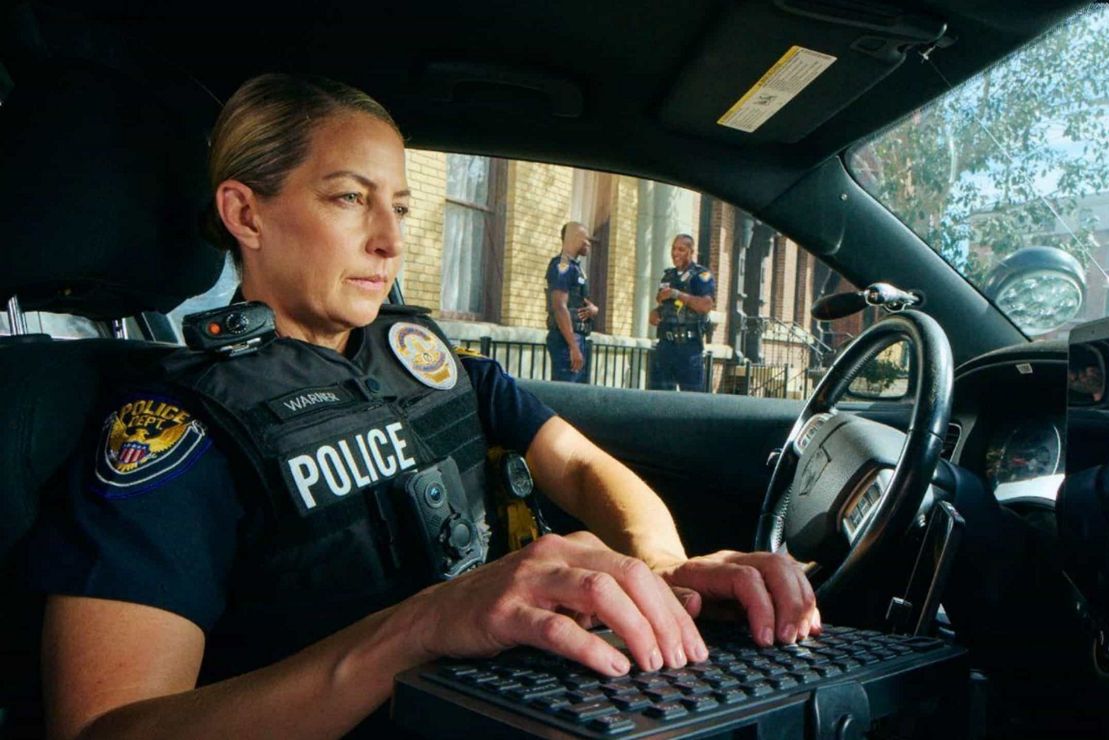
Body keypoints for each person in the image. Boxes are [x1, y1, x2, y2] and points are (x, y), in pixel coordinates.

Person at [27, 74, 818, 739]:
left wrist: (662, 565)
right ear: (245, 213)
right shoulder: (178, 425)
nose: (389, 240)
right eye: (348, 198)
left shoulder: (427, 361)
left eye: (399, 208)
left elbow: (576, 464)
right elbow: (107, 731)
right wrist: (419, 626)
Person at [648, 234, 715, 391]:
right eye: (673, 248)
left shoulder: (701, 276)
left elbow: (705, 305)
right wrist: (655, 313)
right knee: (659, 401)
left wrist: (676, 294)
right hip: (665, 346)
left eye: (681, 249)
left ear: (691, 252)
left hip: (689, 348)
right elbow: (667, 306)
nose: (675, 253)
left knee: (692, 403)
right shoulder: (668, 276)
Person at [545, 221, 597, 383]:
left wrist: (593, 310)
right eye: (585, 239)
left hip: (578, 338)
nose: (588, 243)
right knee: (567, 397)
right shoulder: (563, 265)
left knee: (578, 399)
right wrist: (573, 347)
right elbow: (559, 307)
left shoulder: (575, 267)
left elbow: (580, 300)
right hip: (566, 341)